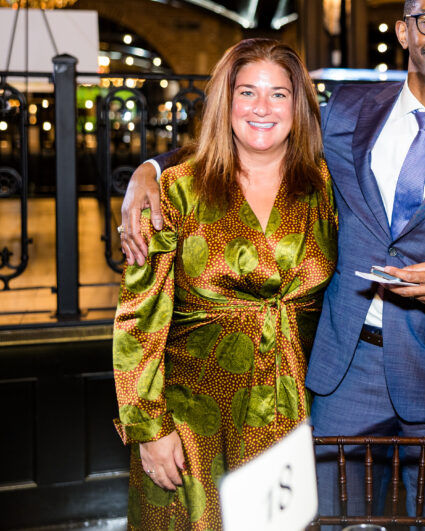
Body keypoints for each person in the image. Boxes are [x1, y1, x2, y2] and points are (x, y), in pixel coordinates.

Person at [121, 0, 425, 521]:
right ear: (404, 31)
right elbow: (254, 136)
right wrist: (148, 170)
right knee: (335, 520)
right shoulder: (348, 113)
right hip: (343, 371)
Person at [112, 38, 337, 529]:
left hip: (293, 419)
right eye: (247, 92)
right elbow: (139, 320)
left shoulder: (326, 186)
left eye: (279, 94)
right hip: (190, 427)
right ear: (225, 102)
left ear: (298, 106)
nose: (262, 108)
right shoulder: (175, 190)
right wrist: (149, 428)